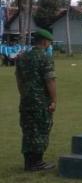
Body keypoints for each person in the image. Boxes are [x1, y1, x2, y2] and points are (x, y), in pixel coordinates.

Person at [15, 29, 57, 171]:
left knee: (28, 130)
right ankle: (37, 163)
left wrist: (24, 95)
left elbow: (19, 80)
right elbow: (50, 81)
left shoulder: (22, 58)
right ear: (45, 41)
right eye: (49, 42)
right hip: (41, 102)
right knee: (41, 130)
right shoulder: (45, 58)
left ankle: (29, 162)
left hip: (26, 100)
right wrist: (53, 100)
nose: (49, 44)